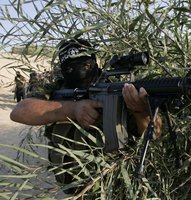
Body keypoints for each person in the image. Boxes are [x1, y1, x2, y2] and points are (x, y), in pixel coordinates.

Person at [10, 38, 162, 193]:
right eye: (70, 67)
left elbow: (154, 134)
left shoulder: (117, 88)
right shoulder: (56, 87)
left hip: (110, 186)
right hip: (70, 187)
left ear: (94, 63)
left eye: (86, 64)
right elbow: (19, 112)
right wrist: (73, 109)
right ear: (63, 69)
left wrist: (140, 111)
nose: (81, 71)